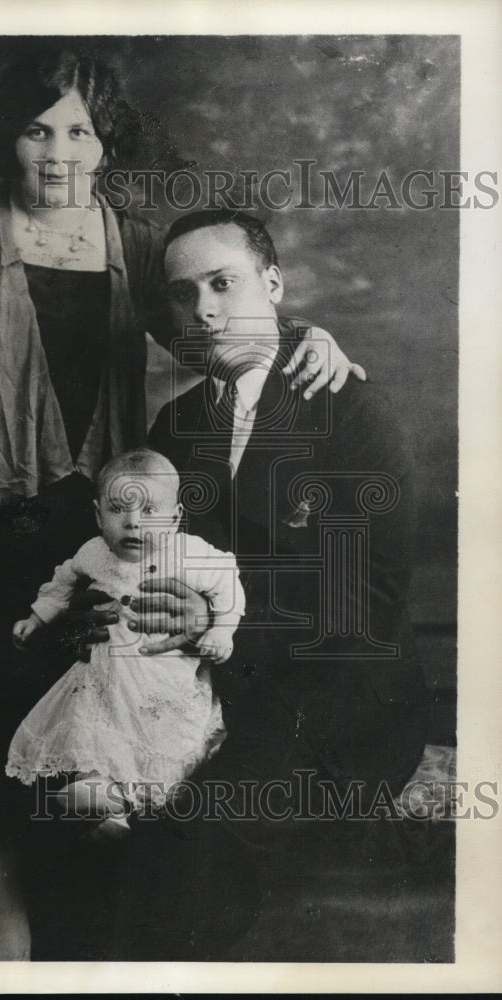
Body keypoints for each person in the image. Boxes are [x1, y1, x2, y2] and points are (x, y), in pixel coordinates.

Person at [0, 45, 363, 961]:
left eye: (80, 131)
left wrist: (311, 338)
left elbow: (212, 323)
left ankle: (93, 887)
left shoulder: (136, 243)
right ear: (6, 141)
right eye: (36, 129)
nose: (57, 152)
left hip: (97, 518)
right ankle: (6, 913)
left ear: (105, 147)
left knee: (85, 698)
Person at [114, 209, 429, 960]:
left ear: (274, 284)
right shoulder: (175, 425)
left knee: (204, 825)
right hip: (218, 682)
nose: (205, 310)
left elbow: (364, 607)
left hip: (339, 693)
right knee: (94, 796)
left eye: (223, 284)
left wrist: (213, 628)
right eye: (183, 295)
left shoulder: (352, 411)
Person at [7, 448, 245, 833]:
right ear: (99, 515)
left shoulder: (189, 554)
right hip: (106, 674)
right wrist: (35, 618)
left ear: (175, 517)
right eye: (119, 510)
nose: (133, 523)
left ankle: (148, 804)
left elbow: (227, 582)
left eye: (149, 511)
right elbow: (62, 583)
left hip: (163, 674)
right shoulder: (94, 553)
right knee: (91, 727)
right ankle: (103, 801)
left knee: (164, 737)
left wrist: (221, 630)